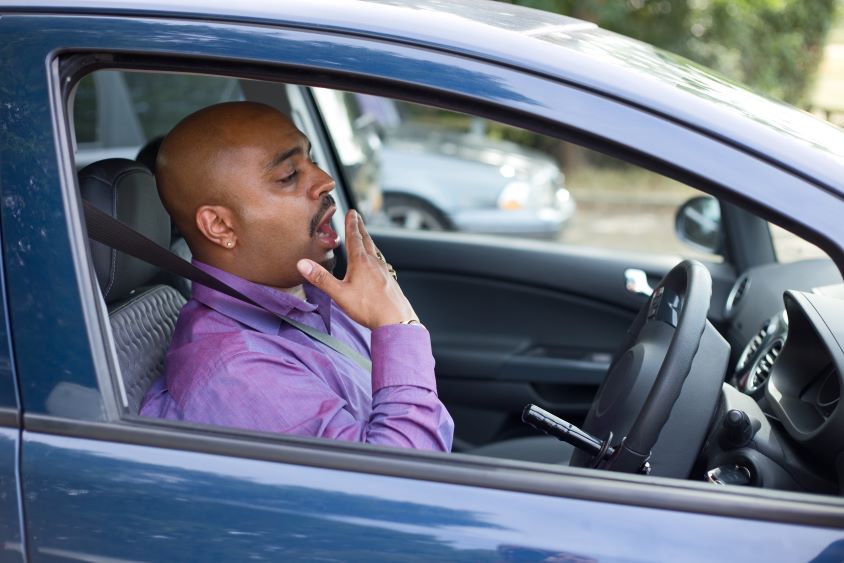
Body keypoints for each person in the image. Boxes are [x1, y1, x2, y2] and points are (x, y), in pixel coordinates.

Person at [139, 101, 454, 452]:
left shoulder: (314, 296)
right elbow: (403, 488)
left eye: (312, 159)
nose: (325, 180)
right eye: (289, 176)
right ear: (221, 226)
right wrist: (397, 325)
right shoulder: (237, 374)